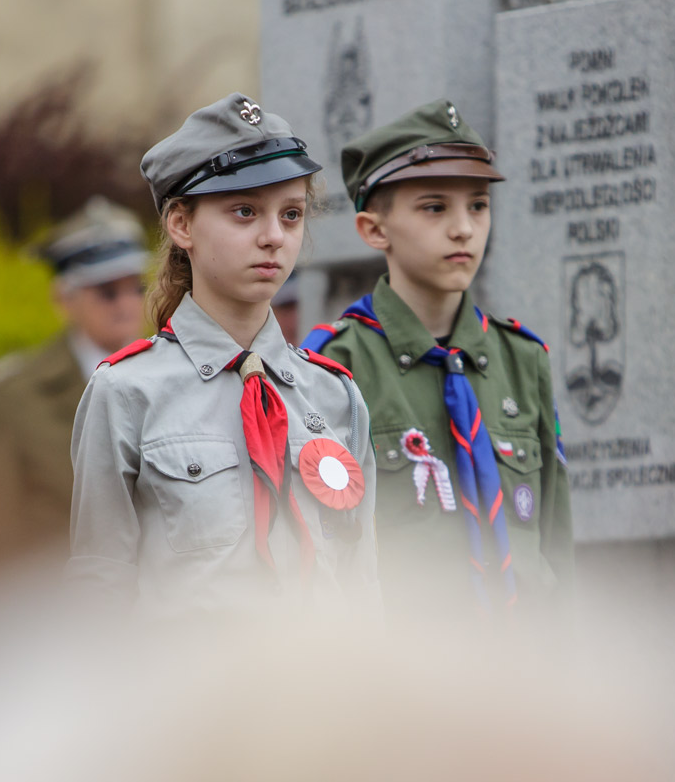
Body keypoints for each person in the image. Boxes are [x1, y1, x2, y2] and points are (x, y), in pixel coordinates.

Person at [67, 93, 380, 620]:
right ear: (181, 225)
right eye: (244, 212)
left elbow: (362, 581)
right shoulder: (126, 391)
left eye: (291, 214)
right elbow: (101, 589)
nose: (273, 237)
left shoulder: (334, 394)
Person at [301, 99, 573, 626]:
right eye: (434, 208)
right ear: (374, 230)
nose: (464, 229)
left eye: (478, 205)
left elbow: (556, 542)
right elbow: (327, 554)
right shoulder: (334, 367)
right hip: (413, 681)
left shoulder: (522, 360)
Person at [0, 197, 149, 576]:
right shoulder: (11, 395)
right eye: (107, 291)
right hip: (60, 614)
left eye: (137, 287)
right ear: (64, 299)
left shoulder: (178, 377)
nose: (126, 303)